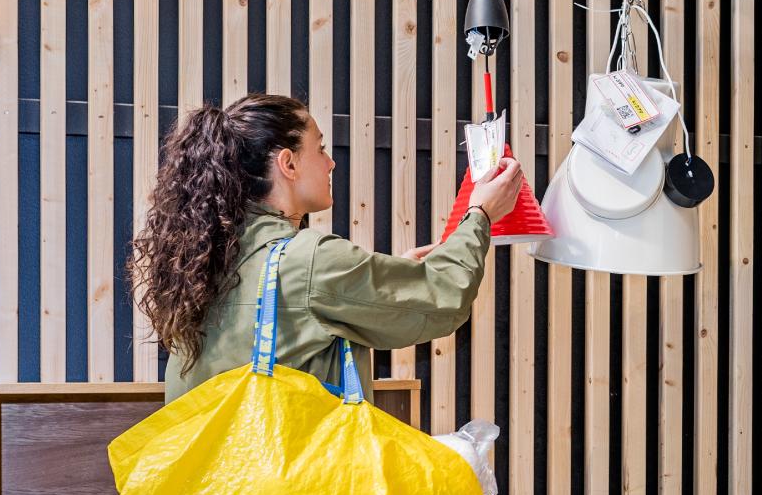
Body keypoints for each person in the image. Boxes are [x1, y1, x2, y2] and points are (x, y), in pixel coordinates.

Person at [130, 93, 525, 403]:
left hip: (216, 493)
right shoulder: (309, 261)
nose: (331, 162)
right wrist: (481, 213)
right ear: (288, 163)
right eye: (319, 148)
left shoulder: (203, 258)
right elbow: (442, 297)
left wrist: (388, 279)